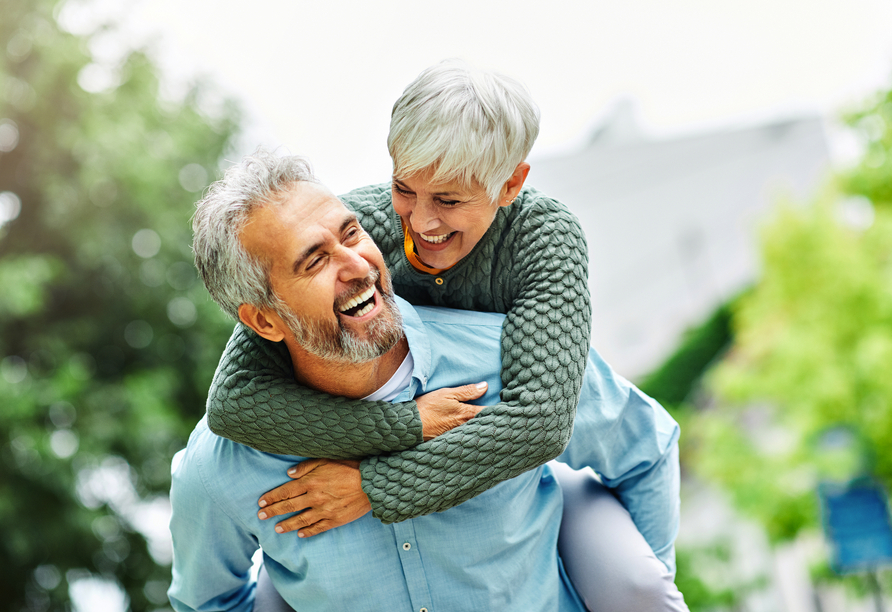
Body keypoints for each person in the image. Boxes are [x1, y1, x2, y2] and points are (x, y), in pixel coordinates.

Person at [202, 61, 688, 610]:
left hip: (532, 477)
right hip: (390, 480)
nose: (421, 222)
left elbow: (540, 423)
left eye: (450, 200)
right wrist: (407, 423)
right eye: (405, 188)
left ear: (511, 183)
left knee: (640, 587)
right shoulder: (360, 229)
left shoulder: (543, 241)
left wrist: (372, 487)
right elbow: (234, 401)